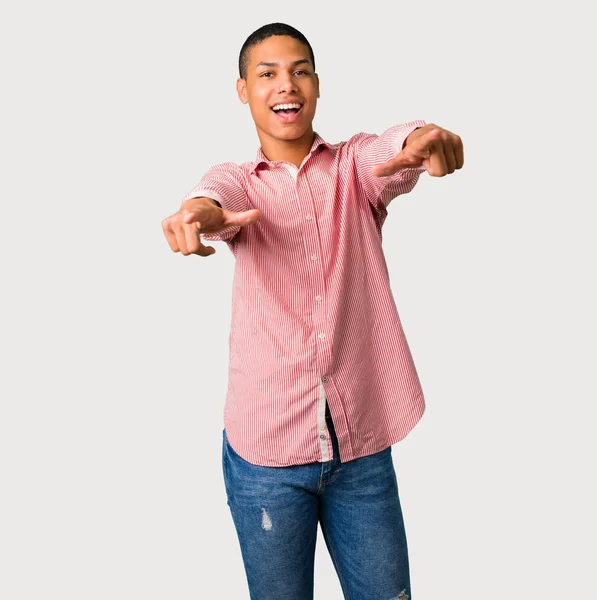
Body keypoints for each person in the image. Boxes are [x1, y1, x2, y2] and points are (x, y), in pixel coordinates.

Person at [162, 22, 463, 600]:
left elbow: (390, 150)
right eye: (267, 73)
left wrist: (423, 137)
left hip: (361, 453)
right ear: (244, 90)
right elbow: (211, 196)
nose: (286, 84)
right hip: (266, 457)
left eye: (299, 70)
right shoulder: (241, 181)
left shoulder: (352, 169)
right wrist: (195, 214)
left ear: (317, 85)